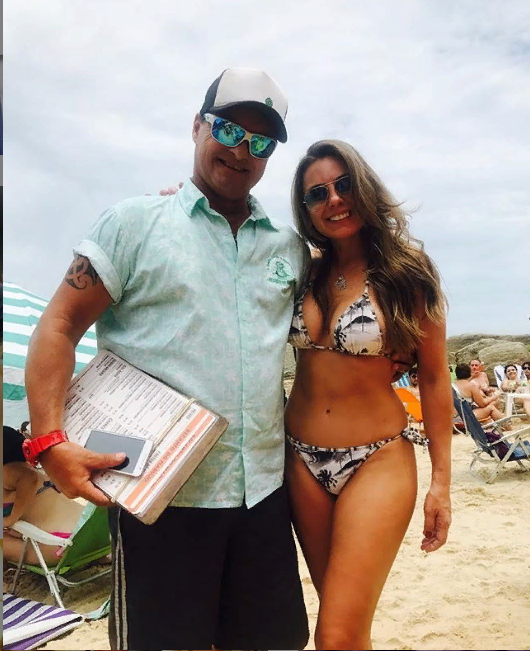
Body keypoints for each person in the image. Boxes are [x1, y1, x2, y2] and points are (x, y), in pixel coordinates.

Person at [24, 68, 309, 651]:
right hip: (158, 499)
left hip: (262, 496)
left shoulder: (288, 249)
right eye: (228, 130)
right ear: (198, 125)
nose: (241, 151)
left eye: (260, 142)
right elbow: (58, 325)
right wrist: (48, 441)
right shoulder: (134, 224)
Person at [285, 140, 452, 650]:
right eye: (317, 193)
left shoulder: (407, 271)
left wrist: (441, 484)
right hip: (300, 461)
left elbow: (434, 378)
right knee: (345, 627)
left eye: (343, 185)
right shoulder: (303, 269)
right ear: (306, 208)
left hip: (377, 459)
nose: (334, 199)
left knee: (335, 634)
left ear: (364, 187)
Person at [3, 426, 84, 565]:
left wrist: (11, 519)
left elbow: (29, 478)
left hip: (60, 548)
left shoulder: (8, 472)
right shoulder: (37, 470)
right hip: (89, 538)